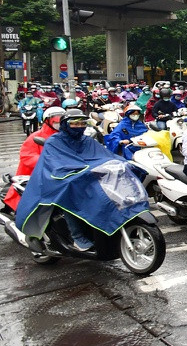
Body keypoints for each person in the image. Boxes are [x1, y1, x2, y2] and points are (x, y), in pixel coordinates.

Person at [17, 108, 151, 252]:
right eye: (74, 123)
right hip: (59, 180)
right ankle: (77, 237)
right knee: (69, 194)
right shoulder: (53, 142)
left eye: (82, 123)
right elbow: (54, 164)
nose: (79, 126)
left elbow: (104, 156)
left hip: (85, 175)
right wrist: (79, 170)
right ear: (65, 124)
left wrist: (123, 163)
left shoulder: (86, 140)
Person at [3, 107, 65, 211]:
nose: (58, 122)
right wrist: (49, 162)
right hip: (36, 175)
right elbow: (27, 156)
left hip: (60, 174)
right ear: (47, 120)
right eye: (54, 119)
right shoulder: (35, 137)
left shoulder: (66, 137)